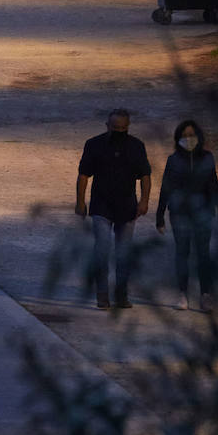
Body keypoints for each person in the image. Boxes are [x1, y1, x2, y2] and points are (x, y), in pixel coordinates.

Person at [76, 109, 151, 310]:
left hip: (127, 207)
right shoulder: (94, 144)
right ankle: (102, 294)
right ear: (107, 125)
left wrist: (144, 201)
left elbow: (145, 175)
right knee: (101, 249)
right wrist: (80, 202)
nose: (118, 131)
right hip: (101, 205)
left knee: (123, 253)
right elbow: (83, 174)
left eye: (122, 128)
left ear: (128, 127)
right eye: (115, 127)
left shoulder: (136, 146)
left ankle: (121, 295)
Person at [155, 119, 218, 312]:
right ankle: (182, 294)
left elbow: (214, 185)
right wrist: (159, 216)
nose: (188, 139)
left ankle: (205, 295)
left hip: (203, 213)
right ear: (178, 138)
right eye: (184, 136)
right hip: (180, 214)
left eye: (191, 135)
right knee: (182, 254)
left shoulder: (207, 158)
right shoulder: (173, 160)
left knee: (203, 255)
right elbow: (166, 188)